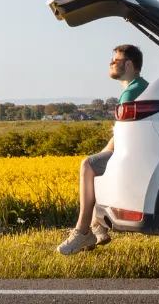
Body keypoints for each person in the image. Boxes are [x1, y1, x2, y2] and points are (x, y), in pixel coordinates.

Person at [58, 44, 148, 255]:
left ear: (128, 64)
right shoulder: (139, 86)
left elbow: (122, 136)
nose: (110, 63)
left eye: (115, 60)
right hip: (138, 152)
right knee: (94, 162)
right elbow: (120, 132)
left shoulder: (131, 93)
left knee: (87, 165)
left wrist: (97, 158)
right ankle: (97, 226)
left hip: (133, 156)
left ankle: (82, 231)